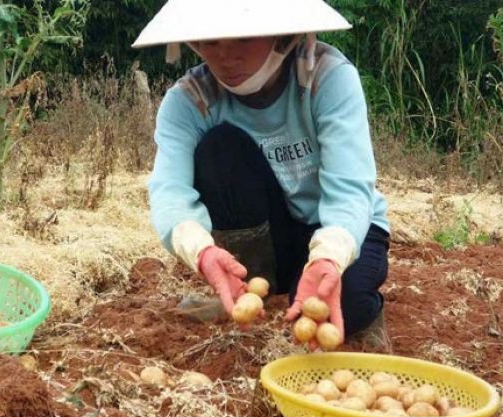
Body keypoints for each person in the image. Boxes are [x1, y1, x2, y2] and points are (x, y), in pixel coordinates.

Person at [132, 0, 391, 348]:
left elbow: (350, 190)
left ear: (282, 35)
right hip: (273, 232)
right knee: (219, 146)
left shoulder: (326, 77)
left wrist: (330, 254)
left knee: (345, 304)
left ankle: (360, 309)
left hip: (342, 228)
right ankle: (252, 287)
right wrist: (202, 252)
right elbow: (169, 191)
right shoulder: (191, 101)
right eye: (210, 41)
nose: (225, 56)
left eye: (243, 38)